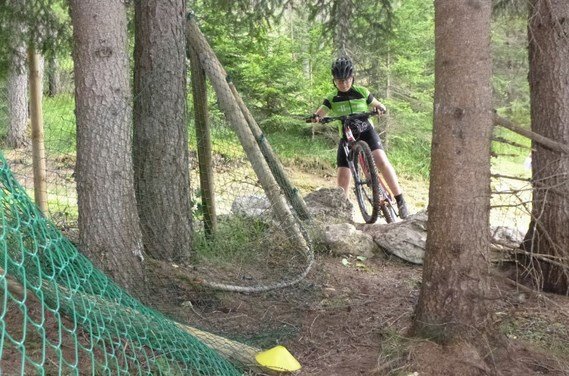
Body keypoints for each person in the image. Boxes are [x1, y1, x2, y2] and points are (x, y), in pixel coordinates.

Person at [311, 56, 409, 219]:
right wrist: (316, 117)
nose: (343, 84)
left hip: (366, 133)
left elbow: (378, 104)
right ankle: (342, 212)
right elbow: (319, 113)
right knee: (343, 173)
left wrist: (380, 108)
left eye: (347, 80)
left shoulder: (362, 92)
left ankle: (401, 201)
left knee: (381, 160)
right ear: (334, 81)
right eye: (339, 80)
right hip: (346, 138)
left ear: (352, 78)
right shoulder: (331, 98)